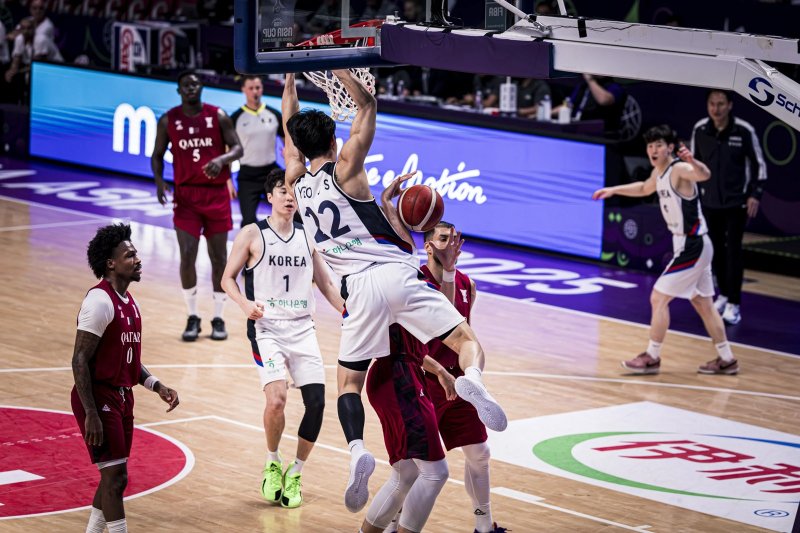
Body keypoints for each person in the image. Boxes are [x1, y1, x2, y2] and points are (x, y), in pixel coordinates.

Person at [281, 71, 507, 514]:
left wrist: (289, 87)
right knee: (464, 340)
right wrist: (349, 70)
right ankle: (474, 381)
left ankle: (355, 451)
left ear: (298, 147)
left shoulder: (296, 183)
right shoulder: (347, 167)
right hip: (395, 272)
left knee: (349, 382)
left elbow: (291, 133)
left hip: (357, 292)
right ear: (332, 142)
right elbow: (366, 108)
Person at [221, 168, 343, 508]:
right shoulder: (251, 234)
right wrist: (245, 304)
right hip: (267, 329)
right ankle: (272, 461)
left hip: (303, 328)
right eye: (282, 190)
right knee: (276, 400)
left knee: (317, 404)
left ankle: (297, 471)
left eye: (293, 191)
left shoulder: (309, 236)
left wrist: (348, 312)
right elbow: (227, 279)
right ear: (270, 197)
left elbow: (327, 284)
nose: (290, 196)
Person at [592, 125, 739, 375]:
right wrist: (614, 190)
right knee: (704, 303)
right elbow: (643, 188)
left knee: (658, 297)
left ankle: (652, 356)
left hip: (693, 243)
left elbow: (703, 175)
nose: (653, 150)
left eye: (658, 145)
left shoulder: (679, 169)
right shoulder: (658, 173)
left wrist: (693, 161)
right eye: (650, 146)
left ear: (670, 148)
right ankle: (727, 358)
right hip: (690, 244)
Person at [71, 223, 180, 533]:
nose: (138, 259)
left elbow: (126, 355)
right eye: (130, 255)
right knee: (117, 478)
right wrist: (90, 411)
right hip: (98, 396)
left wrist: (156, 384)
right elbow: (79, 359)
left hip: (121, 396)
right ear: (111, 263)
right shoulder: (99, 301)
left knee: (112, 476)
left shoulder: (130, 302)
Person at [420, 221, 507, 533]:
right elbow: (413, 342)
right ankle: (391, 523)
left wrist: (468, 370)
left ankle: (484, 526)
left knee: (480, 453)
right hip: (424, 379)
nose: (450, 243)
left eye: (454, 238)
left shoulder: (467, 283)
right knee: (416, 467)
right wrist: (439, 370)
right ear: (428, 246)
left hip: (458, 383)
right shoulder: (415, 281)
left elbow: (463, 335)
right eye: (443, 238)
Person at [151, 71, 243, 342]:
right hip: (187, 198)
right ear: (179, 90)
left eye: (195, 84)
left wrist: (222, 159)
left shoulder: (218, 115)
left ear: (201, 88)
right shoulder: (169, 120)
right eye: (185, 85)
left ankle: (218, 317)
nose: (191, 88)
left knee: (219, 259)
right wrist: (159, 181)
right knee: (187, 255)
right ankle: (192, 315)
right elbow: (156, 155)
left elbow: (238, 148)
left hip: (216, 197)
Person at [360, 324, 453, 533]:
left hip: (401, 372)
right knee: (435, 473)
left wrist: (438, 369)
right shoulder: (396, 292)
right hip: (399, 377)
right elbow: (442, 319)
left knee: (406, 473)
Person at [691, 89, 767, 325]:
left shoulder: (744, 131)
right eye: (712, 104)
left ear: (730, 105)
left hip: (737, 203)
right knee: (715, 252)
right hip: (710, 202)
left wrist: (755, 194)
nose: (716, 109)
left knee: (733, 250)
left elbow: (759, 166)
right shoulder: (700, 129)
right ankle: (723, 294)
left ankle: (734, 303)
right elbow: (693, 165)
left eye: (721, 104)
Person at [231, 75, 285, 227]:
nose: (255, 91)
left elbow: (286, 141)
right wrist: (228, 180)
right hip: (247, 175)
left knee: (290, 212)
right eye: (251, 88)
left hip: (271, 172)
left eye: (258, 87)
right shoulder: (236, 118)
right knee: (248, 222)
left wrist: (288, 156)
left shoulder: (273, 114)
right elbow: (227, 149)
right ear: (243, 90)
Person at [553, 74, 626, 134]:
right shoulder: (582, 86)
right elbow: (568, 105)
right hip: (577, 128)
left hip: (600, 132)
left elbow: (603, 100)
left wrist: (590, 80)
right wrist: (549, 113)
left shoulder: (615, 87)